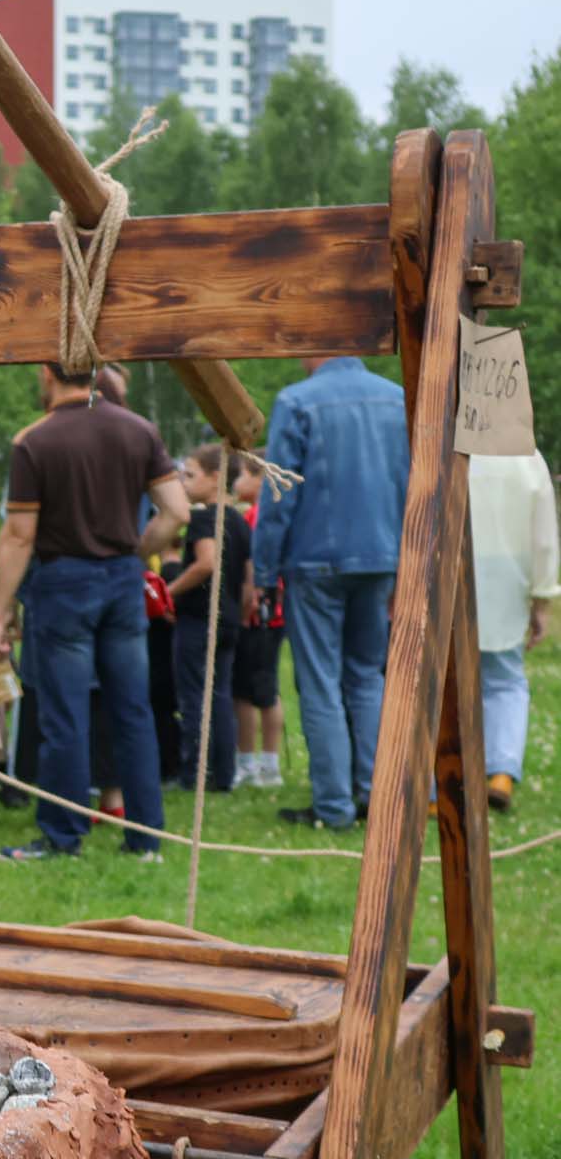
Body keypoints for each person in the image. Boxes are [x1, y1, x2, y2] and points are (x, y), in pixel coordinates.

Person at [0, 363, 189, 860]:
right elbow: (177, 513)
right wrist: (136, 553)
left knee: (65, 717)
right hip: (122, 580)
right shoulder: (139, 429)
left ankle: (62, 836)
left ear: (48, 372)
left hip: (62, 584)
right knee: (133, 712)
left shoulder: (35, 440)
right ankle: (145, 839)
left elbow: (18, 535)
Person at [250, 354, 409, 830]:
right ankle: (374, 797)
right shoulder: (397, 398)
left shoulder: (296, 401)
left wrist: (263, 571)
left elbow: (280, 492)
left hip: (316, 559)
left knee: (319, 683)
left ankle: (334, 806)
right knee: (367, 678)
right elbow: (411, 481)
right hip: (381, 554)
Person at [468, 447, 558, 812]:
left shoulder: (444, 443)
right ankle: (501, 771)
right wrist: (542, 597)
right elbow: (544, 536)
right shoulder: (527, 455)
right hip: (508, 574)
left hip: (454, 569)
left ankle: (438, 781)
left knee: (440, 682)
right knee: (505, 680)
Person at [164, 443, 249, 795]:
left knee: (195, 697)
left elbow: (206, 562)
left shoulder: (202, 519)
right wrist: (241, 612)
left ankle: (193, 774)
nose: (184, 483)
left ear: (215, 478)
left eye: (190, 475)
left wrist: (170, 592)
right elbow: (249, 577)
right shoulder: (240, 521)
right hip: (229, 618)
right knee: (221, 695)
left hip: (200, 619)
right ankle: (224, 774)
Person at [230, 449, 286, 789]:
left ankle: (264, 764)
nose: (236, 481)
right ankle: (252, 761)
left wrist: (251, 600)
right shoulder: (260, 514)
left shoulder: (257, 517)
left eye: (241, 474)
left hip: (261, 613)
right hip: (270, 613)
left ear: (259, 478)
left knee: (258, 690)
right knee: (255, 689)